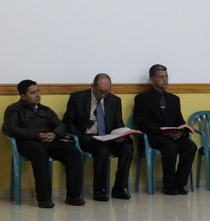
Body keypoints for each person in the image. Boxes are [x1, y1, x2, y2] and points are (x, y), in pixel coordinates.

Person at [3, 80, 84, 208]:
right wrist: (37, 135)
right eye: (33, 93)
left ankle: (73, 196)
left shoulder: (45, 110)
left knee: (73, 153)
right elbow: (12, 129)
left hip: (49, 141)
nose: (38, 95)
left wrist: (55, 134)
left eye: (38, 91)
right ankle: (44, 199)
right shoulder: (14, 109)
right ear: (23, 96)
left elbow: (61, 125)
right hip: (28, 143)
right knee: (40, 154)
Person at [63, 73, 133, 201]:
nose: (103, 95)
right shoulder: (77, 98)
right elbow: (68, 122)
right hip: (87, 137)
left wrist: (120, 134)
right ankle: (99, 190)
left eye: (107, 91)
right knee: (102, 149)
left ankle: (119, 188)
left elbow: (118, 123)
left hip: (108, 137)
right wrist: (79, 136)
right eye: (100, 91)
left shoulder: (114, 100)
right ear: (92, 86)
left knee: (128, 147)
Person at [133, 64, 196, 195]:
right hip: (154, 136)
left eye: (166, 76)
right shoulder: (142, 98)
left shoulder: (174, 99)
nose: (165, 80)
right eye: (161, 77)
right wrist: (162, 132)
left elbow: (179, 121)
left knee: (190, 146)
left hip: (172, 135)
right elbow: (143, 122)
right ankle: (169, 185)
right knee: (170, 146)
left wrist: (181, 131)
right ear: (152, 80)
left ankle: (180, 183)